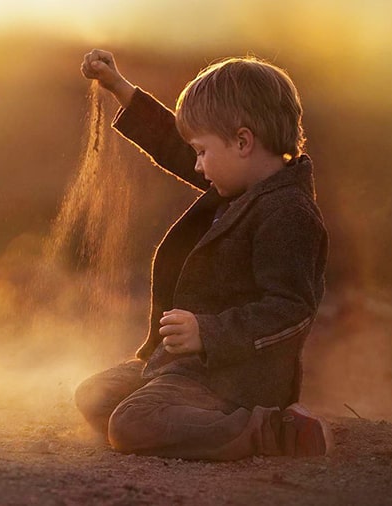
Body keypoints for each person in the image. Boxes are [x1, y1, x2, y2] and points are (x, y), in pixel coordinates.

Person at [74, 49, 332, 460]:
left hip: (237, 378)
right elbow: (176, 145)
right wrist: (122, 89)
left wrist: (207, 333)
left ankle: (274, 432)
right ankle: (186, 415)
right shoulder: (245, 183)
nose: (195, 165)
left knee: (130, 424)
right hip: (191, 365)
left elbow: (291, 310)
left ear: (243, 141)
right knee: (94, 396)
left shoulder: (288, 213)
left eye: (201, 152)